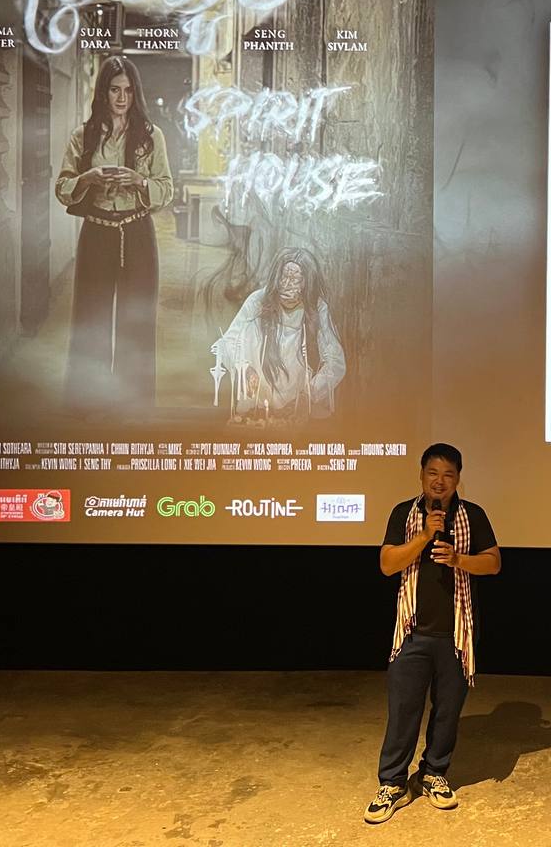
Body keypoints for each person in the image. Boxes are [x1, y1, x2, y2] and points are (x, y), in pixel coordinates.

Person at [365, 443, 501, 824]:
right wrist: (424, 536)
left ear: (458, 479)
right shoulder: (403, 514)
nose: (439, 482)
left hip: (456, 634)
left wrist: (458, 559)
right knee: (403, 711)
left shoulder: (472, 515)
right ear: (421, 475)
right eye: (433, 473)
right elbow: (387, 564)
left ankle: (434, 773)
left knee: (448, 711)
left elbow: (493, 563)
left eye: (448, 475)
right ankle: (393, 783)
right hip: (412, 632)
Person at [55, 55, 173, 413]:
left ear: (136, 93)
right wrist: (87, 179)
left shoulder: (151, 136)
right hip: (97, 232)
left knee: (136, 317)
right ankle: (88, 399)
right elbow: (62, 188)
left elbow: (166, 189)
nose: (122, 98)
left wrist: (139, 181)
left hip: (137, 232)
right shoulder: (83, 136)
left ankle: (132, 401)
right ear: (102, 93)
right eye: (114, 90)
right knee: (91, 316)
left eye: (128, 90)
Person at [212, 248, 345, 424]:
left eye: (296, 279)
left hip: (296, 407)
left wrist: (308, 395)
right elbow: (228, 342)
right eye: (284, 277)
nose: (287, 284)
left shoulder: (318, 308)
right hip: (257, 403)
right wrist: (244, 368)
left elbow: (335, 362)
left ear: (307, 282)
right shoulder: (258, 300)